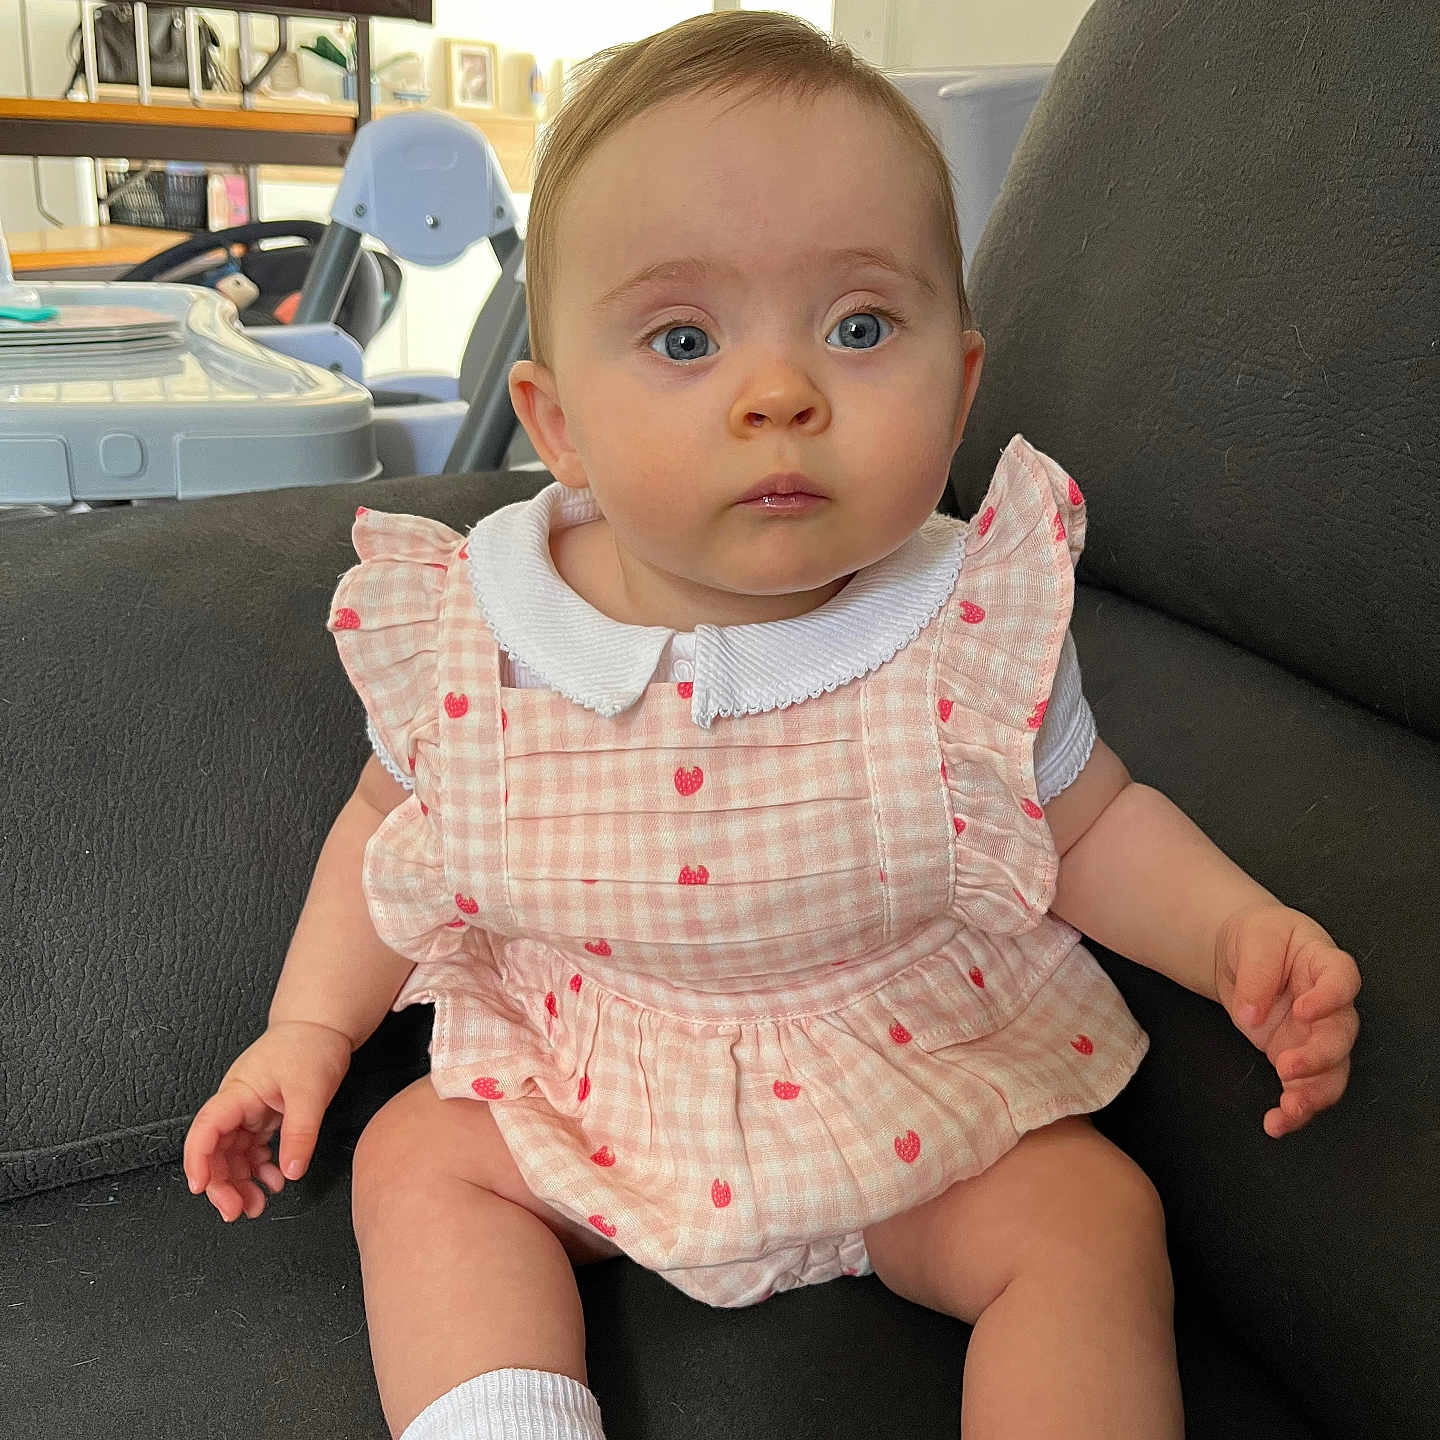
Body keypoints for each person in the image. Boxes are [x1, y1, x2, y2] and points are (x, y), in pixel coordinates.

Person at [182, 11, 1362, 1440]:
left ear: (961, 386)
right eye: (685, 340)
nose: (781, 394)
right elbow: (388, 829)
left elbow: (1092, 823)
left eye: (859, 329)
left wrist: (1232, 935)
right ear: (558, 425)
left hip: (914, 1086)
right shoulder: (476, 629)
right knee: (417, 1162)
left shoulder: (970, 625)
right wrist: (307, 1029)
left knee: (1093, 1219)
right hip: (589, 1087)